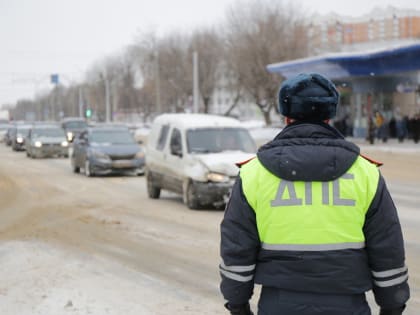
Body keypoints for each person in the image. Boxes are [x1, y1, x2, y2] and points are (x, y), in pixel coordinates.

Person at [219, 73, 410, 315]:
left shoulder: (254, 174)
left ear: (287, 116)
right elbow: (387, 246)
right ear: (329, 116)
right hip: (348, 304)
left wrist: (237, 304)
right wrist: (392, 304)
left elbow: (237, 246)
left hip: (278, 304)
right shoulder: (365, 173)